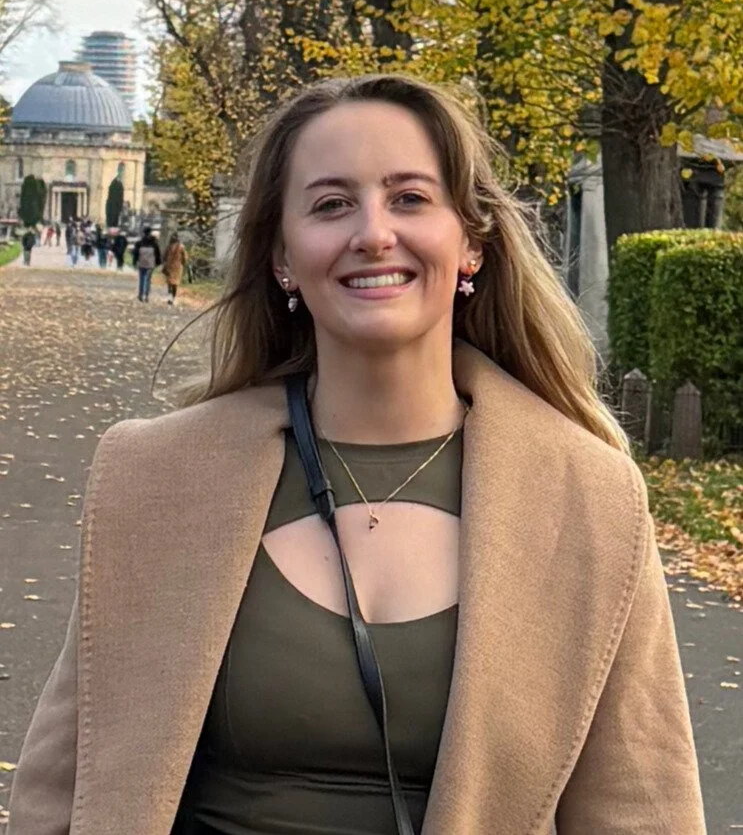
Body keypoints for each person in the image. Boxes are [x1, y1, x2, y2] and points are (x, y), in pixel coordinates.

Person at [7, 75, 706, 835]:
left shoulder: (589, 497)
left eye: (409, 197)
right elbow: (59, 789)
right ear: (281, 255)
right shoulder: (157, 478)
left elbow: (642, 812)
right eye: (331, 203)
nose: (373, 232)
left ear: (470, 239)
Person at [132, 225, 162, 302]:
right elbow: (157, 254)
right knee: (148, 279)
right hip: (150, 264)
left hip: (141, 263)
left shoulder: (139, 243)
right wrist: (158, 262)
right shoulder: (154, 243)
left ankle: (141, 294)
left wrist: (134, 261)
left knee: (142, 278)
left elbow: (135, 253)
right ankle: (146, 295)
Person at [162, 232, 188, 304]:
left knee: (169, 283)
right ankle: (173, 298)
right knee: (175, 283)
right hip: (178, 267)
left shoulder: (169, 247)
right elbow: (185, 257)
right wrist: (183, 263)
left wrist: (165, 262)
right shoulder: (181, 247)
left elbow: (164, 256)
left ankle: (170, 297)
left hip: (169, 266)